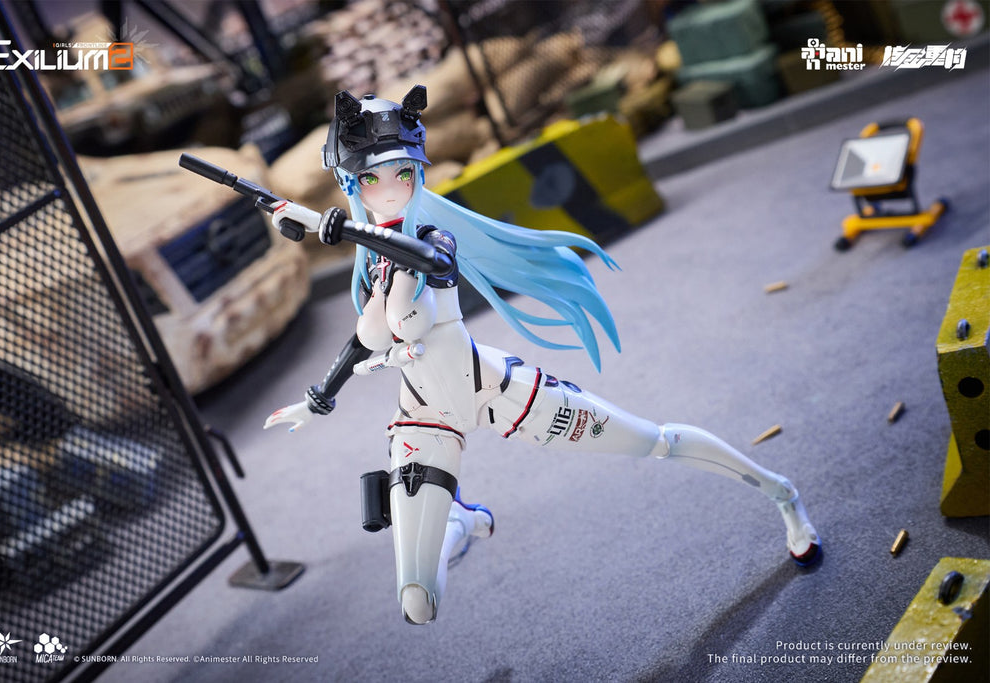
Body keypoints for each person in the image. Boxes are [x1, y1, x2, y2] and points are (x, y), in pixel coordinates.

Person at [264, 86, 821, 625]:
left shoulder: (432, 237)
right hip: (424, 416)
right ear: (350, 183)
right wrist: (318, 398)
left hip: (499, 391)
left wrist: (341, 230)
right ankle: (460, 521)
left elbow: (429, 266)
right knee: (417, 603)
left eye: (402, 174)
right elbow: (365, 338)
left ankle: (783, 494)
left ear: (418, 173)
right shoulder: (371, 261)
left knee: (654, 443)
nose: (389, 190)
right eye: (371, 178)